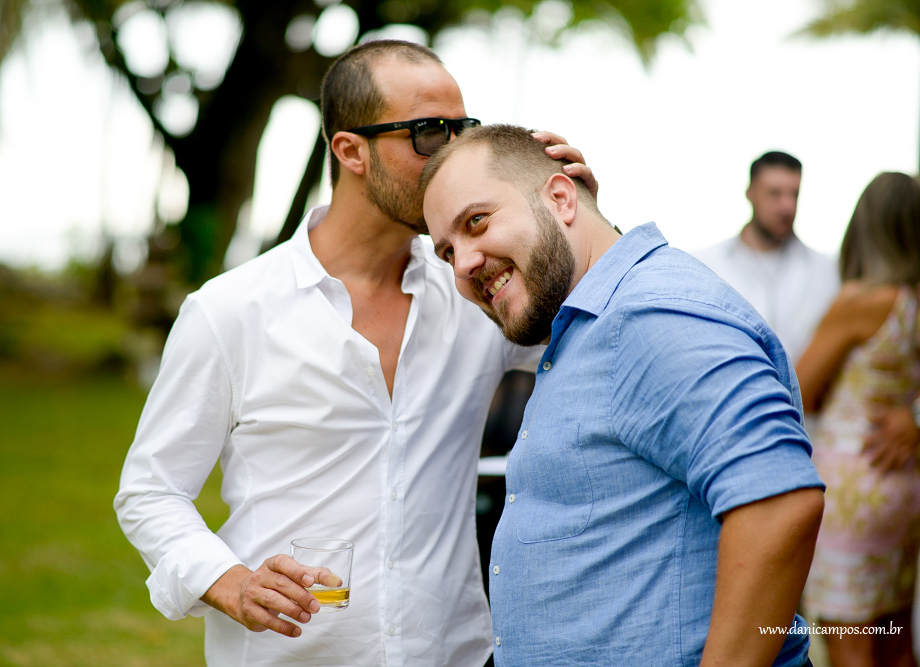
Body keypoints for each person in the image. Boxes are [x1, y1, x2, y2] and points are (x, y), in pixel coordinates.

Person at [114, 40, 594, 667]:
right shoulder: (230, 311)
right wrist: (228, 582)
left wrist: (572, 219)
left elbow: (595, 332)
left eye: (462, 129)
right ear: (350, 151)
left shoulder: (479, 289)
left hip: (455, 654)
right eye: (428, 133)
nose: (454, 154)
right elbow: (150, 490)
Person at [419, 124, 826, 667]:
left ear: (561, 198)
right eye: (447, 252)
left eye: (477, 221)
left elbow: (778, 504)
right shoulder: (591, 322)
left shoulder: (649, 314)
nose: (464, 264)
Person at [796, 172, 920, 667]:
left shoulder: (859, 303)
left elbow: (799, 389)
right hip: (905, 484)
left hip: (853, 488)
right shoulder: (914, 303)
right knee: (894, 639)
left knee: (850, 648)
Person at [693, 151, 840, 363]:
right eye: (774, 193)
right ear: (750, 193)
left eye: (794, 194)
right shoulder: (708, 266)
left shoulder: (828, 270)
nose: (787, 206)